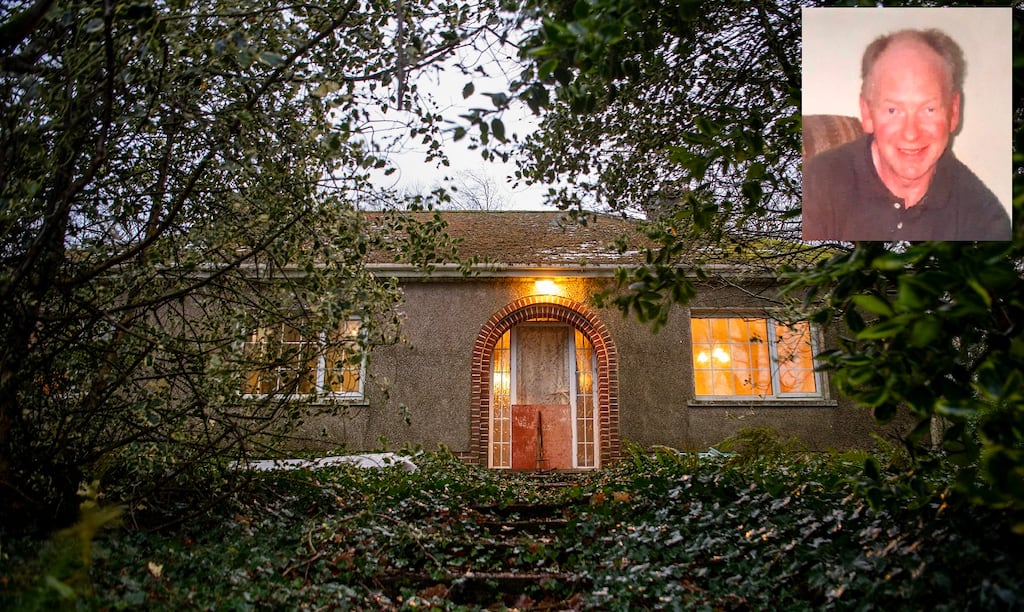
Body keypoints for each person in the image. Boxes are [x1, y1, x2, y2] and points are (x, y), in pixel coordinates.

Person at [802, 28, 1011, 241]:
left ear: (954, 112)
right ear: (867, 113)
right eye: (893, 110)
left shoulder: (984, 221)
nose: (911, 134)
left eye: (929, 109)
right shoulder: (815, 184)